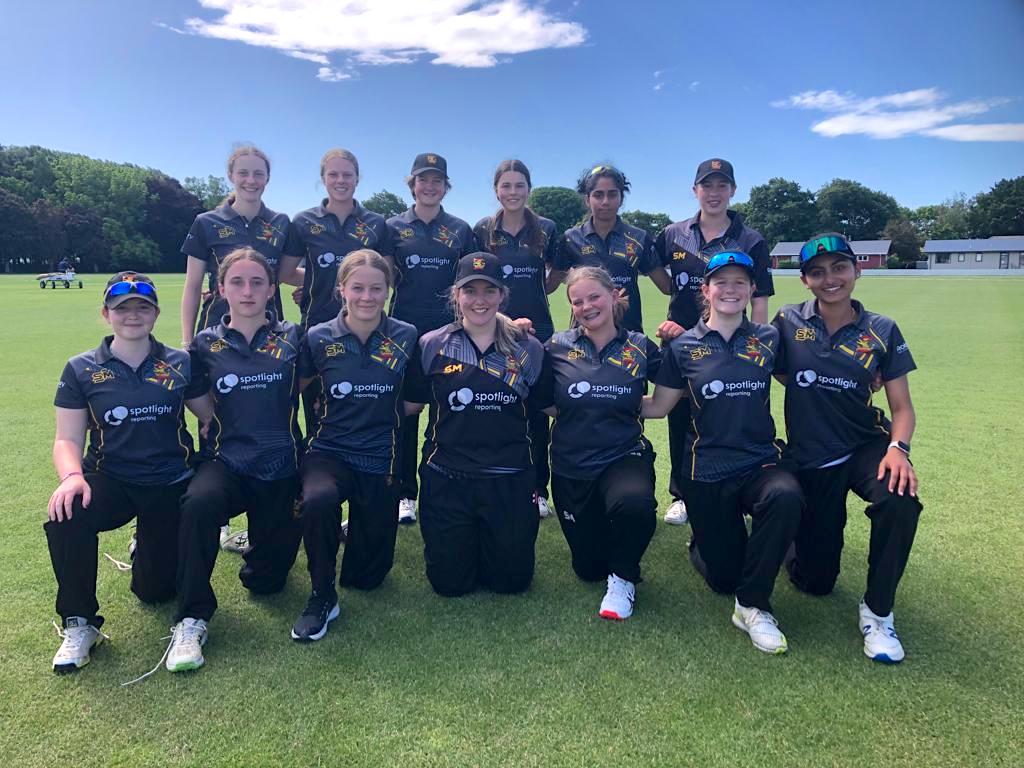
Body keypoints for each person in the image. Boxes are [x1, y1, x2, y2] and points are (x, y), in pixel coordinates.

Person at [46, 272, 211, 673]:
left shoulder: (180, 363)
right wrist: (72, 477)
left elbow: (209, 417)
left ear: (156, 313)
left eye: (142, 307)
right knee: (68, 512)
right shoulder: (81, 368)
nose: (133, 315)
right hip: (111, 479)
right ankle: (80, 622)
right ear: (106, 314)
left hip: (170, 481)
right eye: (122, 308)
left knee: (154, 593)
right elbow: (66, 438)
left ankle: (147, 549)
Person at [642, 251, 803, 655]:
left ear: (751, 289)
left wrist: (864, 378)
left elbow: (799, 379)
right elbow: (658, 407)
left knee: (785, 495)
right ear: (706, 290)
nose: (730, 290)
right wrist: (592, 397)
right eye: (721, 282)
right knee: (723, 579)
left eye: (739, 282)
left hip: (759, 461)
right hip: (706, 469)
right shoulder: (683, 347)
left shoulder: (768, 339)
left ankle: (752, 607)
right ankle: (702, 541)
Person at [773, 233, 921, 664]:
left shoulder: (882, 330)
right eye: (817, 272)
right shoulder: (787, 320)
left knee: (899, 499)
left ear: (857, 270)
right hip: (812, 455)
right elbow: (774, 367)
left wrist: (898, 449)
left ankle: (878, 612)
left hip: (865, 446)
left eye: (839, 267)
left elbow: (902, 408)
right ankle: (787, 532)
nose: (830, 279)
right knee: (815, 583)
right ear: (805, 280)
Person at [167, 248, 304, 672]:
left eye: (257, 282)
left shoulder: (294, 337)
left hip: (281, 465)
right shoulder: (203, 344)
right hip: (225, 462)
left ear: (271, 289)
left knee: (267, 584)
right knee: (199, 503)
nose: (248, 292)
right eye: (238, 283)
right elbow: (194, 399)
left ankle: (255, 547)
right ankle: (191, 617)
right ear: (221, 289)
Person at [291, 250, 419, 641]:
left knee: (367, 578)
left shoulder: (406, 335)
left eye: (376, 288)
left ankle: (353, 532)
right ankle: (322, 594)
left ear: (388, 290)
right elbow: (292, 389)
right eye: (358, 288)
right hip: (329, 451)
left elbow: (415, 401)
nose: (367, 297)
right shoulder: (318, 337)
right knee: (318, 501)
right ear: (341, 289)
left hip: (381, 455)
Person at [179, 145, 299, 551]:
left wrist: (337, 280)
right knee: (214, 421)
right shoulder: (207, 222)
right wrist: (186, 340)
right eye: (243, 173)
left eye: (258, 173)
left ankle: (269, 512)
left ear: (268, 178)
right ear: (231, 176)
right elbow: (192, 285)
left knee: (265, 414)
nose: (251, 180)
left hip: (268, 333)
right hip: (217, 333)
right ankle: (217, 517)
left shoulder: (280, 223)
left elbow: (287, 273)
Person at [405, 252, 546, 597]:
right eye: (470, 291)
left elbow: (548, 410)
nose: (479, 300)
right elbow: (410, 406)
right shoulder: (432, 344)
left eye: (489, 290)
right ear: (456, 295)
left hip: (509, 476)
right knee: (449, 585)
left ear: (502, 295)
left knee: (511, 583)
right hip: (447, 476)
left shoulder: (528, 348)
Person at [654, 158, 775, 526]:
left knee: (727, 415)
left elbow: (759, 299)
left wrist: (755, 347)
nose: (714, 192)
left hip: (734, 344)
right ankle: (682, 495)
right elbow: (661, 278)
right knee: (679, 418)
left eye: (722, 185)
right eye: (707, 185)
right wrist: (673, 322)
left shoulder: (751, 239)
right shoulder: (673, 234)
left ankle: (744, 484)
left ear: (733, 190)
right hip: (681, 344)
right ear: (695, 190)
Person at [540, 266, 660, 620]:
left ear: (614, 295)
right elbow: (545, 401)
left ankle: (624, 579)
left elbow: (675, 387)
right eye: (577, 301)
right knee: (589, 569)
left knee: (634, 505)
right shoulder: (556, 346)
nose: (586, 306)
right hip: (571, 465)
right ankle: (611, 541)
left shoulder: (640, 346)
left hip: (623, 455)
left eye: (594, 297)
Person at [386, 153, 477, 524]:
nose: (429, 186)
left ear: (445, 186)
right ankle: (405, 493)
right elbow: (380, 277)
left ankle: (447, 486)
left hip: (449, 335)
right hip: (402, 334)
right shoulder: (391, 227)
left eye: (437, 180)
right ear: (412, 185)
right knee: (406, 415)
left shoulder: (460, 229)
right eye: (423, 179)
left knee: (449, 411)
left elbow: (473, 286)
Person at [279, 148, 392, 434]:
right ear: (323, 179)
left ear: (357, 179)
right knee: (317, 412)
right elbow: (285, 273)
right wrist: (313, 282)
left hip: (367, 332)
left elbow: (386, 274)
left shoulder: (376, 223)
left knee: (364, 406)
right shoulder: (304, 222)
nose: (341, 181)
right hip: (317, 326)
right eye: (333, 174)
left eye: (347, 175)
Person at [474, 159, 561, 517]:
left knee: (538, 413)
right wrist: (506, 320)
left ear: (529, 189)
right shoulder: (482, 229)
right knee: (496, 406)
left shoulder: (547, 228)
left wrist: (537, 297)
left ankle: (538, 489)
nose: (512, 192)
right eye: (505, 186)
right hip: (494, 328)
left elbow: (556, 274)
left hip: (538, 330)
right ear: (496, 190)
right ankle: (493, 480)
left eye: (519, 185)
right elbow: (476, 283)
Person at [551, 164, 672, 334]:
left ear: (621, 198)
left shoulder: (638, 238)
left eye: (612, 194)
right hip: (584, 336)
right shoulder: (571, 238)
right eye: (598, 195)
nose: (605, 201)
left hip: (629, 336)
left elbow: (667, 287)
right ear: (587, 199)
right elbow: (548, 286)